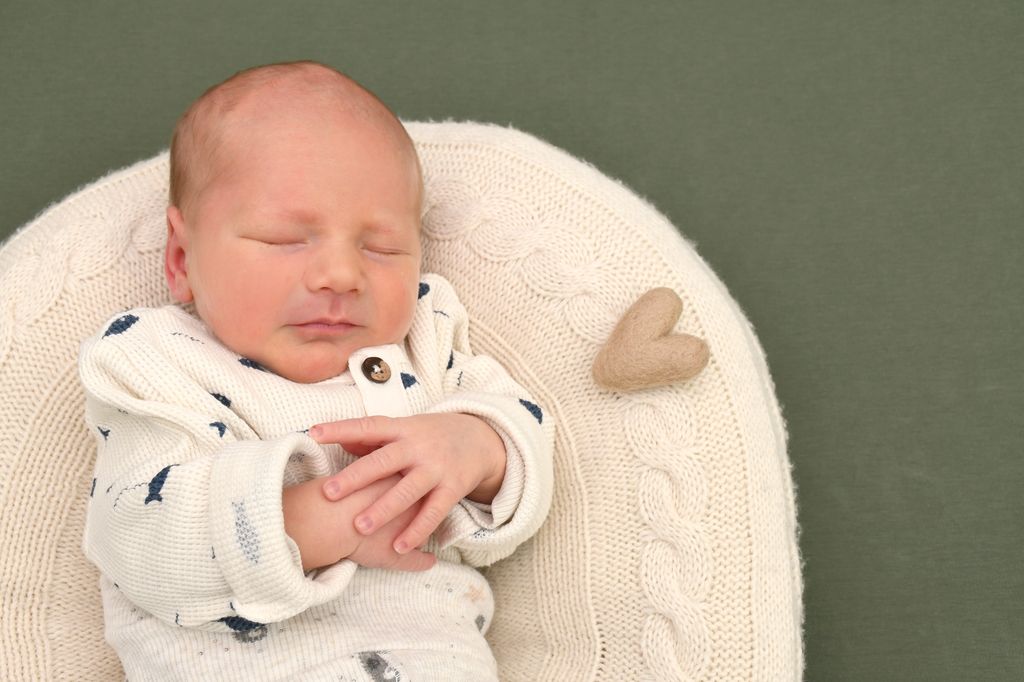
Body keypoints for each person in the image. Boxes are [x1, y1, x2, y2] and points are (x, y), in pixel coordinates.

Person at [78, 60, 553, 681]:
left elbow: (525, 442)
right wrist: (320, 523)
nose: (342, 275)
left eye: (381, 247)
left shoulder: (425, 345)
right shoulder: (156, 363)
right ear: (181, 258)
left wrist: (477, 448)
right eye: (285, 239)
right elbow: (135, 540)